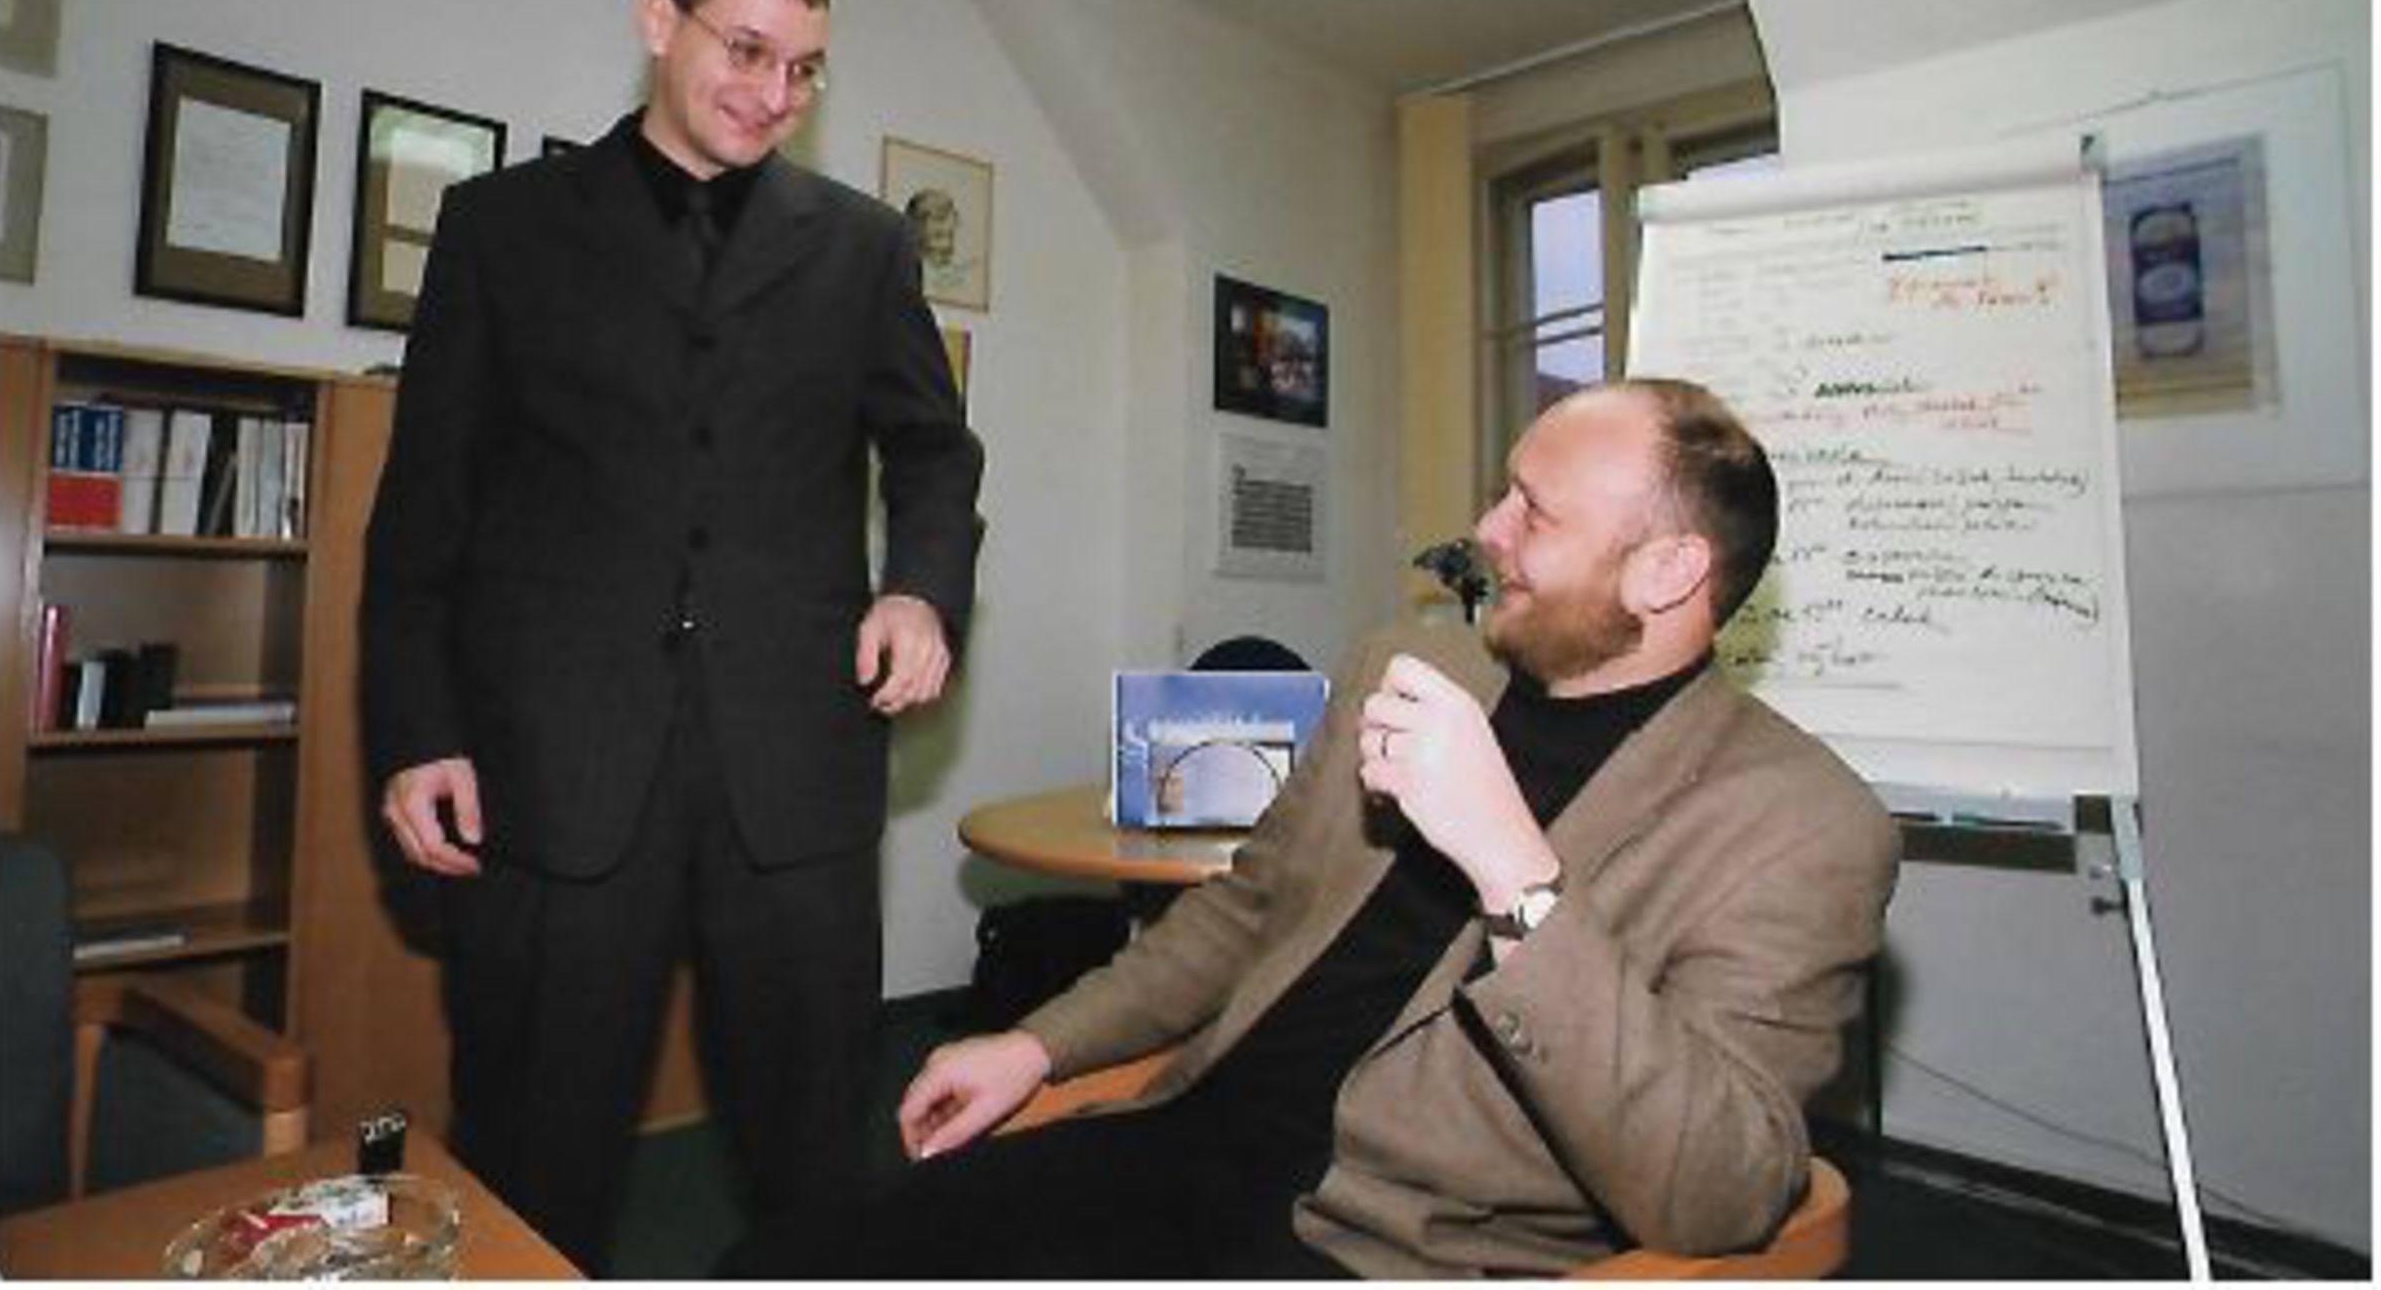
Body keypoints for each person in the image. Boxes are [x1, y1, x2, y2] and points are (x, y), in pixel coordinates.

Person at [725, 376, 1896, 1279]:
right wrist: (1038, 1045)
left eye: (1534, 512)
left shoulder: (1801, 825)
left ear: (1668, 571)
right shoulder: (1409, 666)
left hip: (1387, 1246)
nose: (1487, 529)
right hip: (1180, 1140)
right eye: (1504, 490)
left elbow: (1720, 1189)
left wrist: (1514, 868)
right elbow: (1246, 910)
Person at [359, 0, 984, 1275]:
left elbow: (935, 455)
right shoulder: (499, 227)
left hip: (797, 778)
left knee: (816, 1164)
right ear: (659, 20)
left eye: (804, 68)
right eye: (747, 50)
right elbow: (422, 515)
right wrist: (416, 732)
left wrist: (922, 592)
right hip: (553, 771)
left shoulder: (865, 249)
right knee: (533, 1156)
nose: (774, 93)